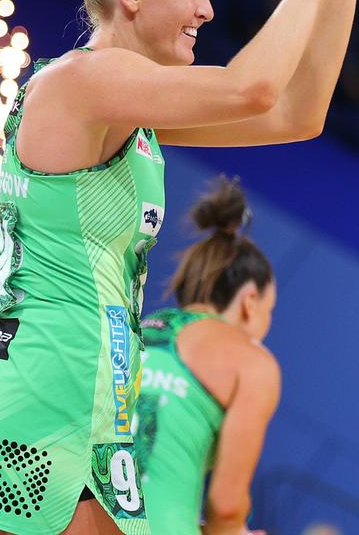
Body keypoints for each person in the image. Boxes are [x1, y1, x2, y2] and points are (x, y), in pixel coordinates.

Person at [0, 0, 359, 535]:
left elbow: (298, 115)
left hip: (79, 398)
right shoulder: (84, 82)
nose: (208, 9)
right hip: (34, 394)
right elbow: (251, 85)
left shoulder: (131, 108)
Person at [133, 177, 278, 534]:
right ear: (249, 303)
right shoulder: (252, 363)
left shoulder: (136, 329)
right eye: (269, 311)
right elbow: (226, 507)